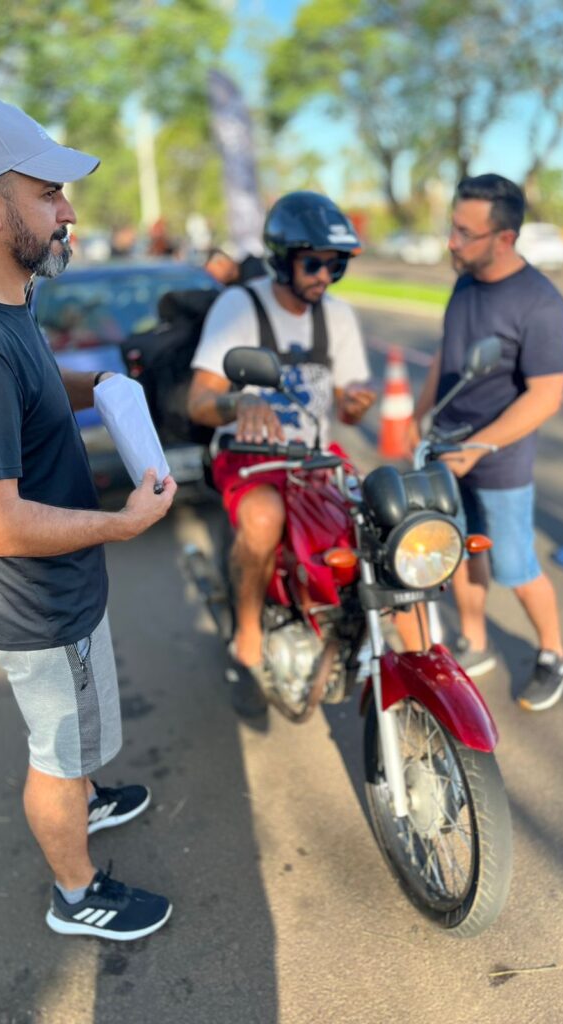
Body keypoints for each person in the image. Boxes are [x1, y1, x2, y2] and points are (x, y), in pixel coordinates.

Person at [0, 99, 178, 940]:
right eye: (49, 193)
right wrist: (122, 524)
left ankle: (86, 786)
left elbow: (36, 389)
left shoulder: (6, 301)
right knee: (57, 749)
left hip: (57, 591)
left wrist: (106, 387)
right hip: (38, 607)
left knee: (76, 732)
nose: (71, 211)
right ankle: (76, 894)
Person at [186, 191, 376, 716]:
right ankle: (248, 627)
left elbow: (348, 404)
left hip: (314, 457)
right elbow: (199, 401)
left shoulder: (337, 316)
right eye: (313, 262)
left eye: (334, 265)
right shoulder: (239, 306)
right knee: (264, 515)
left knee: (383, 520)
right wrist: (238, 400)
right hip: (249, 457)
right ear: (282, 258)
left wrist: (357, 404)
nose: (324, 276)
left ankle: (384, 638)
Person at [409, 173, 563, 712]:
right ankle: (475, 642)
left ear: (504, 238)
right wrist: (422, 409)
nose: (451, 242)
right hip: (447, 450)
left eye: (464, 232)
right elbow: (448, 350)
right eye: (452, 228)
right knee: (458, 553)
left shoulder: (542, 305)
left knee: (515, 567)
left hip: (498, 460)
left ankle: (554, 652)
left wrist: (477, 448)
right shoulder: (465, 281)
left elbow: (546, 395)